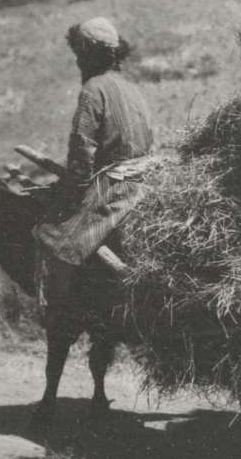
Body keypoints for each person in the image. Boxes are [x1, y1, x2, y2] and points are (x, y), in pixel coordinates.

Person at [33, 16, 154, 307]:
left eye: (79, 55)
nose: (77, 63)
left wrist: (69, 191)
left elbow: (82, 154)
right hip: (146, 181)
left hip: (115, 189)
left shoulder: (93, 90)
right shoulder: (133, 90)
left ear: (87, 54)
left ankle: (60, 313)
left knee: (47, 234)